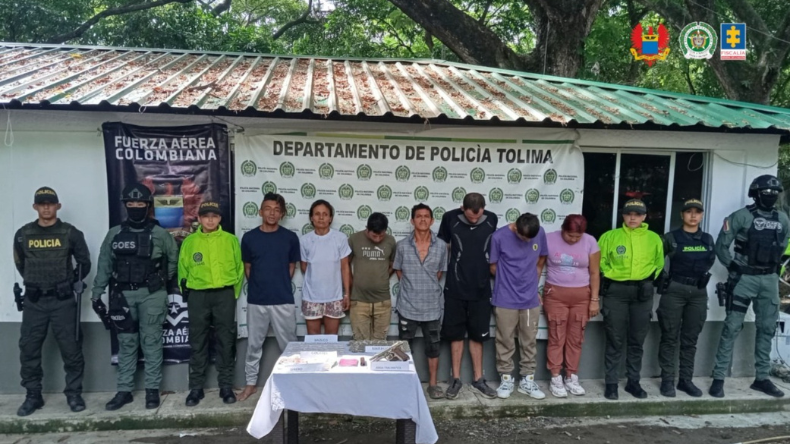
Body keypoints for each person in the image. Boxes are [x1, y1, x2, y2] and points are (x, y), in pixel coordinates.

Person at [92, 182, 178, 411]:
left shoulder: (160, 234)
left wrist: (159, 282)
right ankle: (124, 391)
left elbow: (172, 262)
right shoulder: (115, 234)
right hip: (123, 296)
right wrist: (97, 293)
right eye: (131, 203)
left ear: (148, 206)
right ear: (125, 205)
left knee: (151, 343)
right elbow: (104, 265)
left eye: (140, 203)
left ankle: (152, 391)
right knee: (127, 344)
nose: (136, 206)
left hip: (152, 295)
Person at [12, 187, 91, 416]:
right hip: (34, 301)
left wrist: (71, 283)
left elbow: (84, 263)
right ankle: (33, 396)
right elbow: (21, 264)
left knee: (71, 348)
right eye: (42, 203)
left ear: (58, 206)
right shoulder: (22, 234)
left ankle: (74, 394)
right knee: (29, 348)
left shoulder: (70, 233)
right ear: (35, 207)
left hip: (62, 301)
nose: (46, 207)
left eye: (50, 203)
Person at [710, 175, 790, 398]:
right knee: (732, 327)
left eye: (775, 193)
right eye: (766, 193)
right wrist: (733, 267)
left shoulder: (782, 218)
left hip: (770, 280)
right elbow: (721, 246)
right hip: (744, 279)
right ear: (756, 193)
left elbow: (783, 245)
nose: (771, 196)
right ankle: (718, 377)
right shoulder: (740, 217)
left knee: (767, 328)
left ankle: (762, 378)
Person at [178, 201, 244, 406]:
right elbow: (182, 270)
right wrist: (188, 292)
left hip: (224, 294)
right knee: (198, 341)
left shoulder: (230, 240)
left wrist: (232, 292)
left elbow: (239, 268)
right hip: (198, 295)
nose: (210, 220)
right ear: (198, 219)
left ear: (220, 219)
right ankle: (196, 388)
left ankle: (225, 386)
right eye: (205, 216)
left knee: (225, 340)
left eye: (214, 216)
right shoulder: (190, 242)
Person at [598, 199, 664, 400]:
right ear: (623, 216)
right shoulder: (610, 236)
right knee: (614, 339)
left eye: (637, 214)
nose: (632, 217)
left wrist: (645, 278)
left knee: (637, 339)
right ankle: (611, 383)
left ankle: (633, 382)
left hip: (641, 293)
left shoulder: (653, 238)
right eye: (629, 214)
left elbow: (658, 263)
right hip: (616, 292)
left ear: (644, 216)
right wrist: (613, 274)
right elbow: (599, 261)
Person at [238, 193, 300, 402]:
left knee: (289, 345)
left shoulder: (290, 238)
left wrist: (276, 283)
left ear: (282, 214)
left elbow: (291, 267)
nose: (271, 213)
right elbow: (248, 267)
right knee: (254, 345)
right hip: (257, 300)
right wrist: (260, 285)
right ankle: (250, 384)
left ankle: (293, 384)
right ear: (260, 211)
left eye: (276, 210)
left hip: (283, 299)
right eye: (268, 208)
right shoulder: (249, 238)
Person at [438, 192, 498, 399]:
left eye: (478, 217)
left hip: (481, 288)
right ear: (462, 208)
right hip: (455, 287)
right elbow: (441, 246)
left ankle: (479, 379)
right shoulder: (449, 218)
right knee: (455, 335)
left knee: (477, 335)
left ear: (484, 209)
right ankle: (455, 379)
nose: (475, 220)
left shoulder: (491, 219)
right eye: (470, 217)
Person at [656, 199, 715, 398]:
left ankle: (685, 380)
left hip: (698, 292)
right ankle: (667, 381)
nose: (692, 215)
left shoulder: (707, 239)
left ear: (701, 215)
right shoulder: (670, 238)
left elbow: (710, 260)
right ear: (682, 215)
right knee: (669, 337)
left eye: (696, 212)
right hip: (674, 289)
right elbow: (656, 262)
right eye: (688, 212)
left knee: (690, 339)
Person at [490, 213, 548, 400]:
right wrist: (510, 280)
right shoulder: (498, 237)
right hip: (505, 298)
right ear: (515, 227)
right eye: (524, 238)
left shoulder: (539, 233)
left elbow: (541, 260)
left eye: (530, 239)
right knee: (505, 340)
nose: (527, 241)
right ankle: (506, 378)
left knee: (529, 340)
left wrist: (533, 284)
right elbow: (493, 266)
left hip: (530, 300)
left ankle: (527, 380)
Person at [393, 204, 448, 399]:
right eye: (418, 216)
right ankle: (404, 384)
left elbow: (439, 273)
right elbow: (399, 271)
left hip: (432, 306)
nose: (423, 220)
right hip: (407, 305)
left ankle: (433, 384)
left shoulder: (441, 246)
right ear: (412, 220)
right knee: (403, 346)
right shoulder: (402, 246)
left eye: (426, 216)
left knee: (433, 346)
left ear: (432, 221)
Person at [544, 214, 600, 398]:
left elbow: (594, 273)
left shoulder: (590, 241)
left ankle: (571, 376)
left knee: (576, 338)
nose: (573, 240)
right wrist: (533, 292)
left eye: (577, 237)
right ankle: (555, 377)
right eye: (570, 236)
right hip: (555, 296)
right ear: (563, 229)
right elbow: (537, 266)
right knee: (557, 336)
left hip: (581, 297)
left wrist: (594, 299)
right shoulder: (549, 238)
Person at [300, 200, 351, 335]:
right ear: (311, 218)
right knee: (312, 340)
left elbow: (345, 268)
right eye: (317, 214)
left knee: (331, 339)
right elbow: (304, 267)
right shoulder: (305, 240)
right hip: (311, 298)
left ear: (330, 218)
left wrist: (346, 294)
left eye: (325, 214)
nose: (321, 217)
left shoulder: (340, 238)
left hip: (334, 297)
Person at [348, 213, 396, 340]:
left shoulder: (391, 241)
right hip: (359, 301)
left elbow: (393, 265)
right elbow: (345, 265)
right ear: (367, 229)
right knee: (360, 344)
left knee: (379, 347)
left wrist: (383, 276)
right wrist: (352, 285)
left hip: (383, 301)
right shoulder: (354, 239)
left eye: (381, 235)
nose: (378, 239)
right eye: (374, 235)